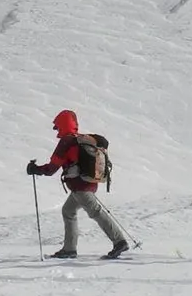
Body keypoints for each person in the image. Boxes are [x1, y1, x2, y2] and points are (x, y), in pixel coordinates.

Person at [27, 109, 131, 259]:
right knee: (68, 211)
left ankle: (119, 241)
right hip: (88, 183)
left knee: (95, 212)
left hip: (80, 186)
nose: (56, 130)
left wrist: (35, 169)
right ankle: (69, 249)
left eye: (57, 126)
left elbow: (51, 169)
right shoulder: (83, 139)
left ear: (62, 124)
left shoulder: (67, 142)